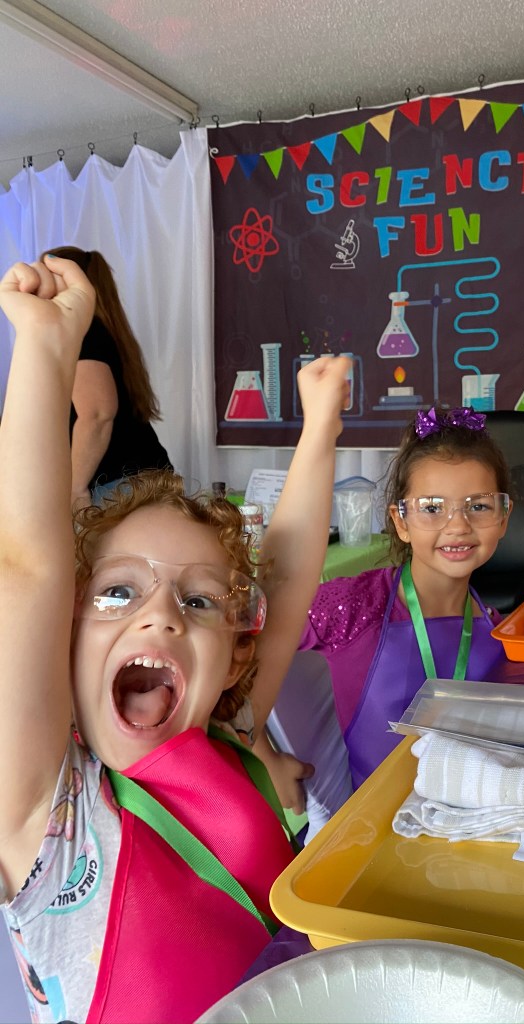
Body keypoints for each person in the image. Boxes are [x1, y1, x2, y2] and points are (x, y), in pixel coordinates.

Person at [0, 254, 350, 1024]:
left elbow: (283, 585)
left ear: (234, 656)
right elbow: (24, 567)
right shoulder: (47, 812)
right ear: (61, 636)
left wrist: (320, 426)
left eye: (196, 600)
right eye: (117, 591)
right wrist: (45, 351)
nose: (159, 615)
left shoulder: (228, 734)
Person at [258, 405, 512, 805]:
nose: (458, 524)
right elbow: (244, 637)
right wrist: (260, 753)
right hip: (368, 835)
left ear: (503, 516)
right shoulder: (355, 608)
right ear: (401, 521)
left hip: (465, 830)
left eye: (478, 506)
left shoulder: (500, 631)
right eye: (432, 507)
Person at [44, 245, 173, 508]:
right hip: (136, 479)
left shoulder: (84, 332)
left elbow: (97, 414)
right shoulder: (104, 331)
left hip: (117, 486)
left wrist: (74, 488)